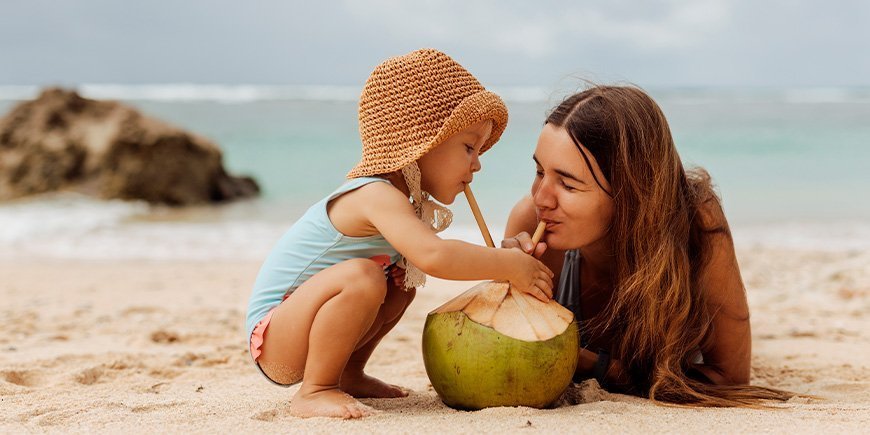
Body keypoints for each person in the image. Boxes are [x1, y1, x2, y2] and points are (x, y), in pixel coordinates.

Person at [244, 49, 554, 419]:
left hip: (307, 329)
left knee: (401, 279)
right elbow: (436, 256)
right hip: (276, 337)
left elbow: (429, 258)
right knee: (363, 277)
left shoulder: (403, 201)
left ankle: (348, 372)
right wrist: (506, 264)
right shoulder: (374, 193)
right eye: (469, 147)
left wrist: (505, 259)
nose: (478, 163)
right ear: (419, 142)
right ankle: (315, 390)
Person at [502, 84, 792, 406]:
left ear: (630, 193)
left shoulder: (696, 225)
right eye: (540, 171)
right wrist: (509, 294)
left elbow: (731, 379)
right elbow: (510, 356)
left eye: (567, 184)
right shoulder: (531, 223)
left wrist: (590, 363)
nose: (541, 197)